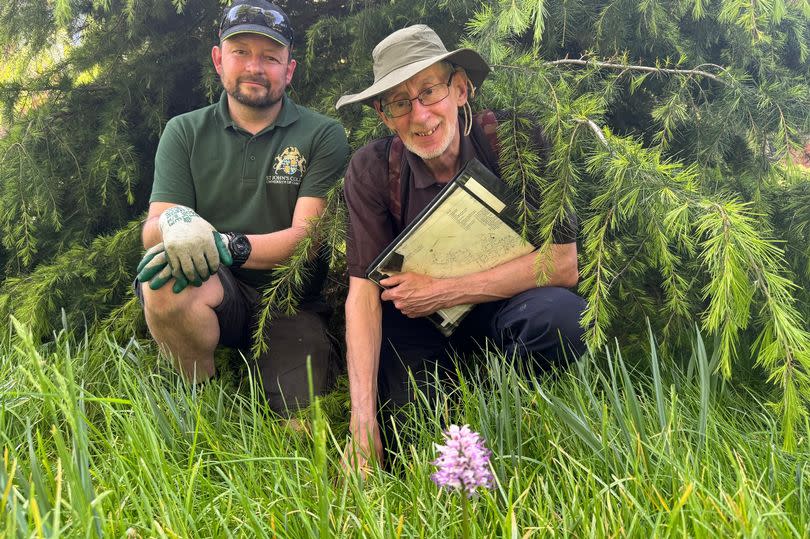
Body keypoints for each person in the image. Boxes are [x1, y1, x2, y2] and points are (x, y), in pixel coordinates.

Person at [335, 25, 587, 469]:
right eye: (399, 102)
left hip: (510, 307)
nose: (420, 115)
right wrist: (362, 422)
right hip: (419, 326)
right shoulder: (372, 170)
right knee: (412, 444)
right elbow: (362, 295)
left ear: (461, 89)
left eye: (430, 91)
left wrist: (446, 290)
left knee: (561, 317)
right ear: (384, 115)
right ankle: (440, 407)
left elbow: (564, 265)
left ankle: (515, 406)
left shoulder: (517, 141)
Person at [135, 0, 349, 414]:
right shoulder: (184, 131)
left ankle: (284, 369)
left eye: (270, 57)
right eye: (241, 53)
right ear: (219, 59)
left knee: (305, 427)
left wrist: (225, 245)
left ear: (289, 70)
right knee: (161, 272)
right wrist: (175, 223)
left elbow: (308, 236)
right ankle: (200, 392)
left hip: (291, 301)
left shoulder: (322, 134)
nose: (255, 67)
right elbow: (152, 228)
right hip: (216, 286)